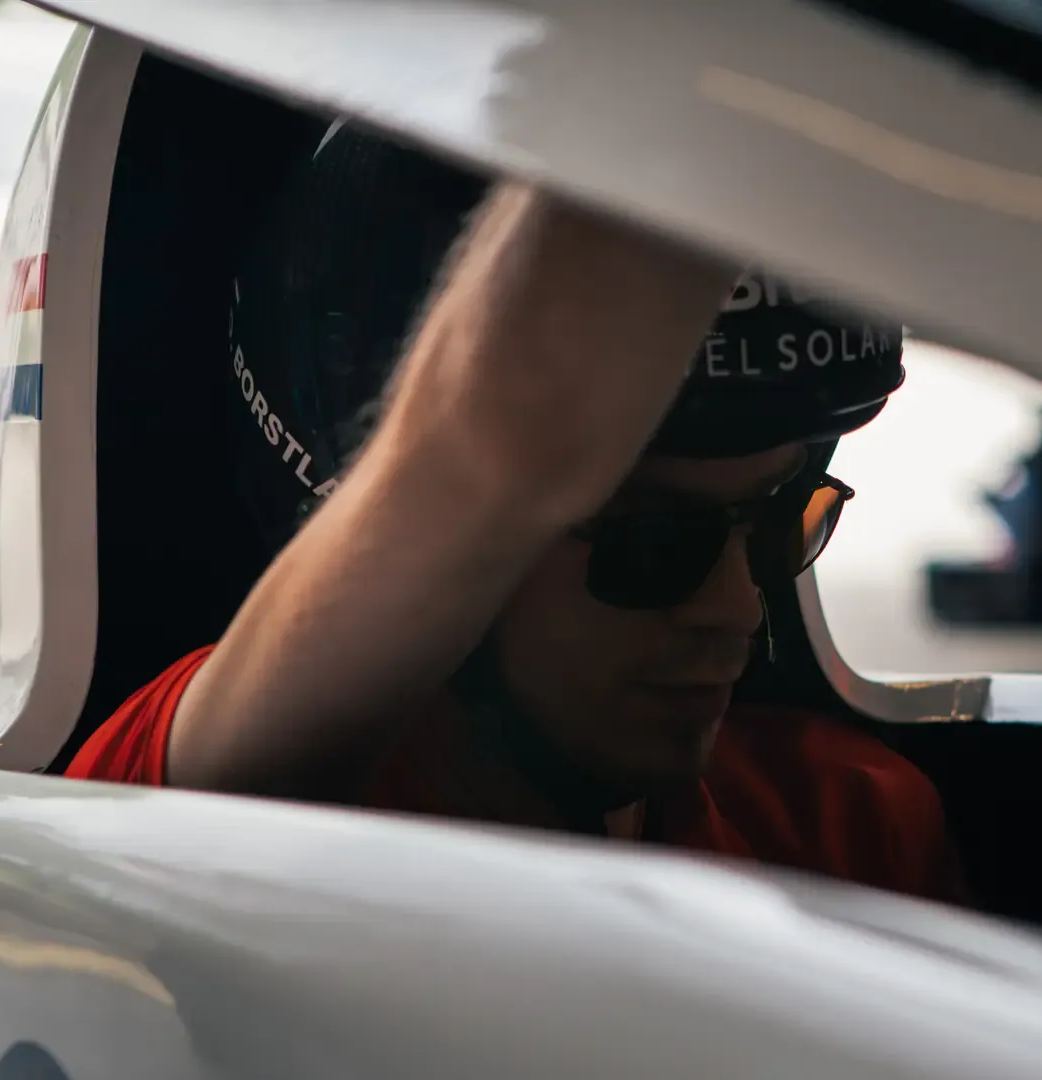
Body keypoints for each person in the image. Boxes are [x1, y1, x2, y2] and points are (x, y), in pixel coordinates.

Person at [67, 124, 967, 904]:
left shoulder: (854, 832)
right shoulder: (214, 808)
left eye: (779, 524)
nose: (737, 610)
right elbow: (476, 459)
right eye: (652, 541)